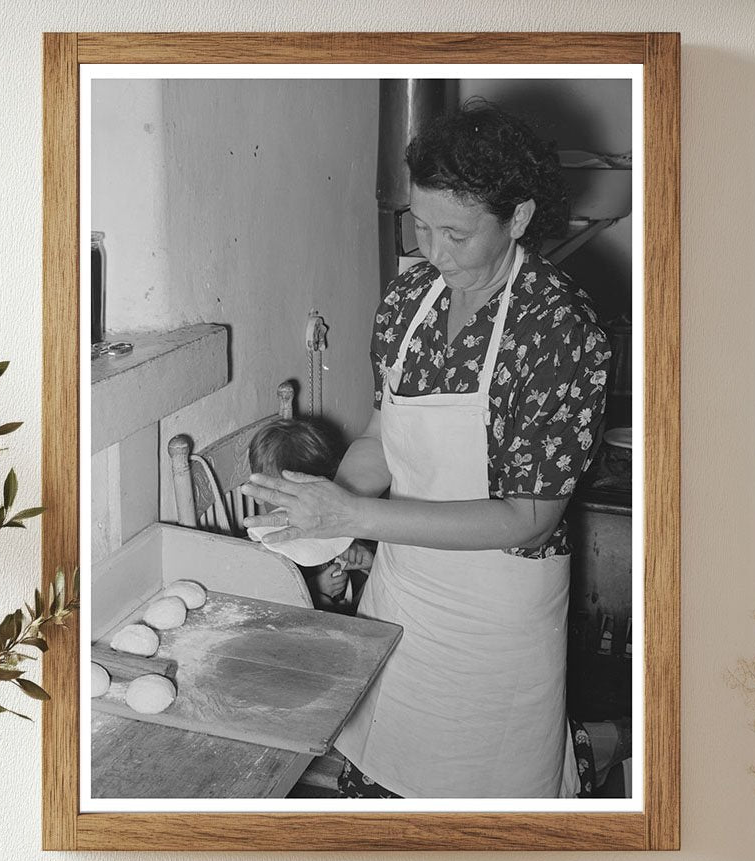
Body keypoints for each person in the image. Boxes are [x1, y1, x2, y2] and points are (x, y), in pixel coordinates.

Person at [242, 100, 611, 799]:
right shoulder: (411, 297)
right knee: (379, 770)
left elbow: (528, 517)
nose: (433, 253)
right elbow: (385, 437)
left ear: (520, 218)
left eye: (458, 234)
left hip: (495, 619)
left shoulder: (559, 328)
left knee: (481, 809)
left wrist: (359, 519)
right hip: (404, 591)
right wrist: (324, 510)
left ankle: (601, 748)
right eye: (421, 224)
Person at [247, 418, 372, 609]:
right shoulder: (261, 549)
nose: (303, 506)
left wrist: (366, 564)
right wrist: (315, 589)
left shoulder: (331, 520)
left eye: (312, 494)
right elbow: (268, 605)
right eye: (285, 495)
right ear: (259, 493)